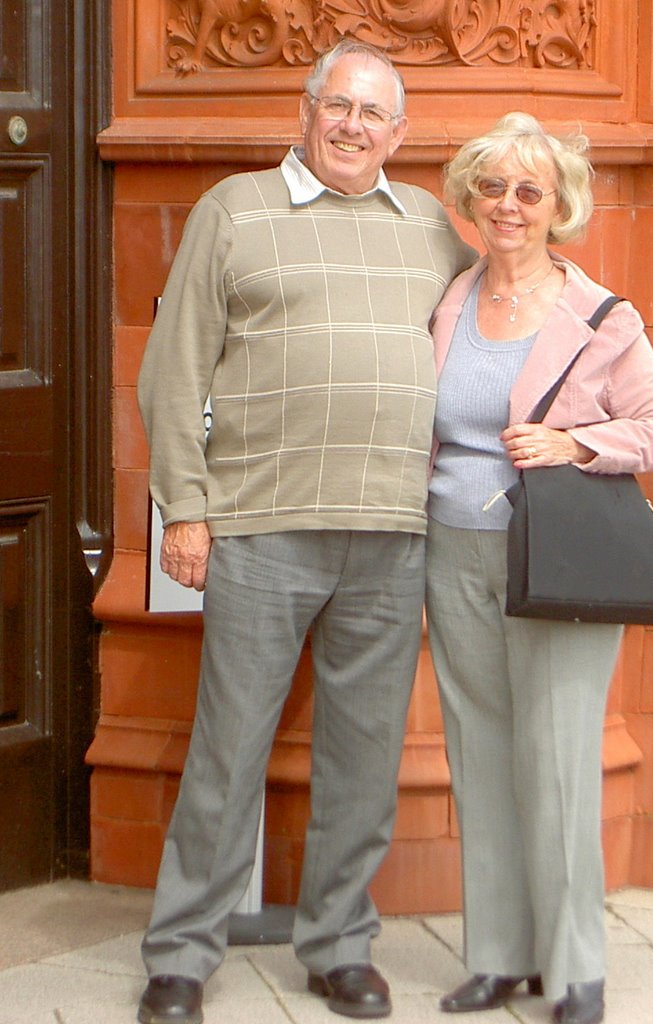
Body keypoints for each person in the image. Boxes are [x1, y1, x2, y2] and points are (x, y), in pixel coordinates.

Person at [136, 39, 476, 1024]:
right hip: (260, 525)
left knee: (363, 757)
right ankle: (181, 955)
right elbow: (175, 368)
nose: (353, 127)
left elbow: (505, 314)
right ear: (306, 108)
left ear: (398, 134)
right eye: (339, 106)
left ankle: (337, 946)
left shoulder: (427, 225)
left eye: (374, 115)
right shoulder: (234, 212)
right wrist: (186, 507)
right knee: (228, 750)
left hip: (393, 529)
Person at [425, 113, 653, 1024]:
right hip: (451, 551)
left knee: (560, 758)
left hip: (556, 562)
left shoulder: (600, 315)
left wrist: (575, 441)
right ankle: (499, 955)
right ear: (468, 199)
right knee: (481, 754)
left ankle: (576, 968)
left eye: (529, 191)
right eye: (492, 188)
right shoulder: (451, 301)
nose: (508, 205)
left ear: (557, 207)